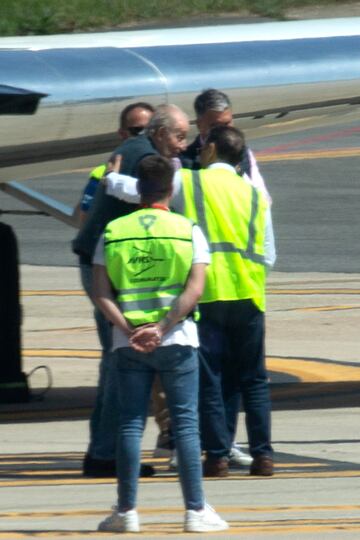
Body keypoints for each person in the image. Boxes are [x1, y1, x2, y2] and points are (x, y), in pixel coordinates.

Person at [105, 125, 276, 477]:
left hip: (208, 294)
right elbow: (269, 251)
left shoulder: (191, 180)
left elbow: (145, 189)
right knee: (252, 380)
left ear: (211, 150)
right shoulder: (255, 193)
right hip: (249, 294)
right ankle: (263, 455)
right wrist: (252, 279)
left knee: (211, 379)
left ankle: (217, 456)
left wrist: (110, 180)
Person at [93, 155, 228, 534]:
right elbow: (195, 289)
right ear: (171, 188)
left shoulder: (114, 231)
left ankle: (127, 511)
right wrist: (164, 327)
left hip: (128, 343)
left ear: (137, 187)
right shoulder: (187, 230)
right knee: (186, 425)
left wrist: (130, 329)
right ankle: (195, 511)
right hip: (178, 339)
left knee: (130, 425)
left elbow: (102, 293)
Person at [72, 102, 155, 478]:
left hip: (102, 263)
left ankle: (104, 450)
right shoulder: (146, 156)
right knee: (122, 360)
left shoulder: (123, 157)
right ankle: (107, 453)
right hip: (107, 267)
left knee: (115, 360)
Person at [181, 88, 271, 203]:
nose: (223, 131)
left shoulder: (243, 153)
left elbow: (262, 198)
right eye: (215, 126)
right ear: (199, 125)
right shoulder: (185, 161)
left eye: (227, 123)